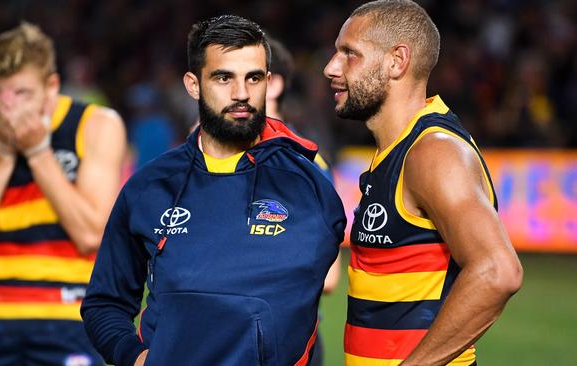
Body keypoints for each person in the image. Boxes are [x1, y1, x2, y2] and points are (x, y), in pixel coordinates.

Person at [81, 15, 346, 366]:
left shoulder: (309, 184)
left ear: (269, 82)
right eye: (224, 77)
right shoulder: (151, 187)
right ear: (193, 84)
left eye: (253, 78)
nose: (241, 94)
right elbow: (105, 303)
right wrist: (134, 357)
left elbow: (346, 290)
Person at [323, 1, 523, 365]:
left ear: (397, 61)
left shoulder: (431, 152)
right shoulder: (401, 148)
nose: (330, 68)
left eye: (349, 53)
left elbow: (498, 271)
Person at [0, 22, 126, 365]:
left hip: (70, 314)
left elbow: (90, 235)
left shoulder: (96, 124)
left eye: (22, 93)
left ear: (51, 86)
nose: (9, 108)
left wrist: (39, 152)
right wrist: (4, 154)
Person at [266, 36, 342, 366]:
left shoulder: (306, 164)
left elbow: (329, 277)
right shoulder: (205, 156)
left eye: (251, 77)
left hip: (286, 346)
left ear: (274, 85)